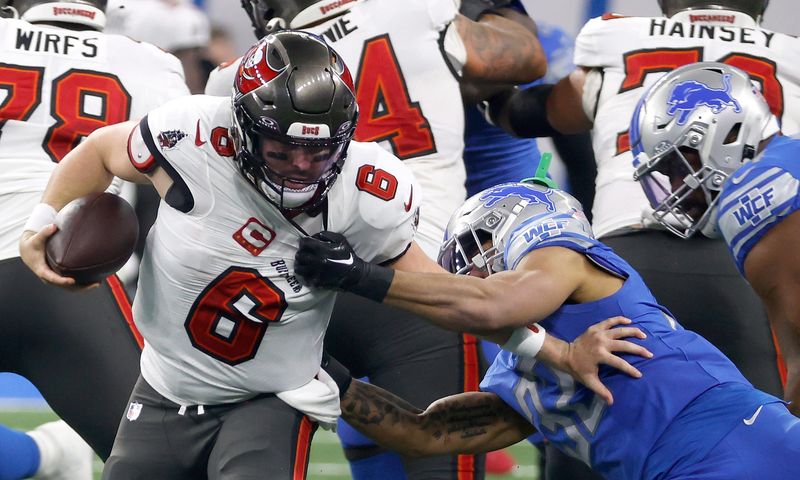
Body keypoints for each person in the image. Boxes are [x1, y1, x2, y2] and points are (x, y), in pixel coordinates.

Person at [18, 30, 533, 479]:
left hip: (271, 394)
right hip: (164, 386)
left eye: (320, 151)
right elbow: (101, 148)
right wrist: (40, 224)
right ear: (243, 129)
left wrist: (550, 351)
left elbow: (443, 299)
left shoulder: (369, 187)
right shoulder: (191, 135)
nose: (302, 167)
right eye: (282, 150)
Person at [205, 1, 546, 477]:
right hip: (418, 281)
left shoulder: (233, 77)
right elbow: (527, 57)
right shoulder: (414, 12)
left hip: (293, 293)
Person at [294, 180, 800, 480]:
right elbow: (426, 434)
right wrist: (318, 369)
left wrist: (359, 275)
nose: (468, 273)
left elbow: (496, 305)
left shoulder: (564, 259)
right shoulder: (517, 368)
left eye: (473, 256)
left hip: (739, 442)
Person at [486, 0, 797, 410]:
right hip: (749, 255)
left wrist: (491, 89)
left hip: (619, 259)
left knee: (593, 430)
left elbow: (524, 114)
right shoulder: (791, 54)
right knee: (766, 433)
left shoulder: (619, 41)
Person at [0, 0, 189, 466]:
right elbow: (191, 190)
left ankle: (45, 456)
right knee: (164, 466)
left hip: (59, 268)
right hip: (69, 281)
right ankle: (48, 455)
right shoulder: (152, 63)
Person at [631, 62, 800, 414]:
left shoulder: (758, 191)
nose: (677, 187)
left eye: (679, 167)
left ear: (725, 137)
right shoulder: (789, 160)